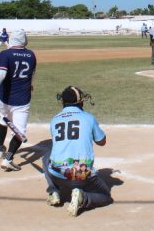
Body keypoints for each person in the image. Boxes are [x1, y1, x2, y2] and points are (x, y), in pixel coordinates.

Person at [43, 86, 112, 217]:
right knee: (105, 196)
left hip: (57, 173)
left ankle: (54, 191)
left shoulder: (54, 120)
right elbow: (102, 142)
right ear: (80, 101)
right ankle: (83, 197)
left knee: (46, 157)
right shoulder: (88, 117)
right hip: (80, 174)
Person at [0, 29, 36, 172]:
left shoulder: (5, 54)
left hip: (4, 98)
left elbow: (1, 74)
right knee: (19, 132)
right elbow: (32, 74)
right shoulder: (31, 55)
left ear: (12, 40)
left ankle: (0, 149)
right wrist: (30, 85)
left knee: (3, 120)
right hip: (22, 99)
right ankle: (8, 159)